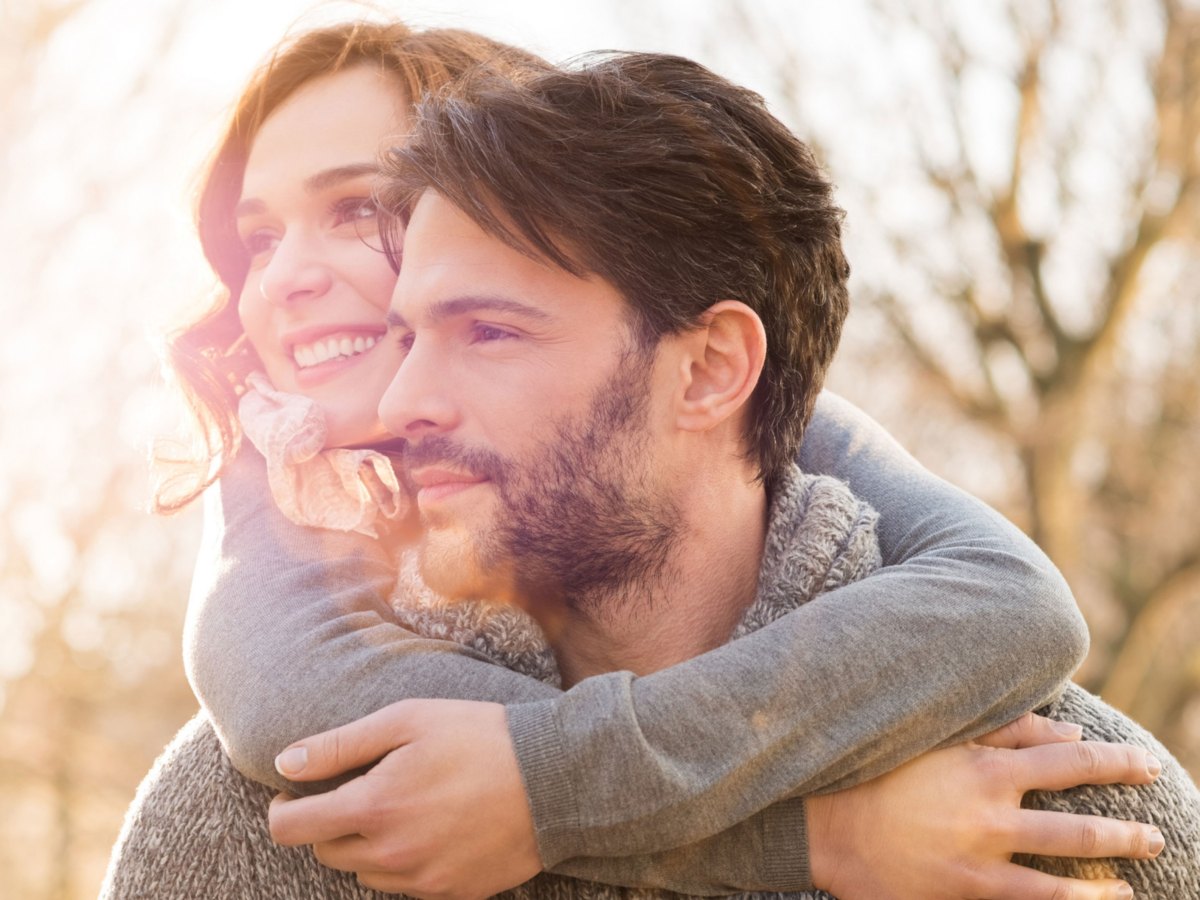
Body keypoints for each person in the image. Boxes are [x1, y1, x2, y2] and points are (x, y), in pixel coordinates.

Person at [97, 20, 1192, 900]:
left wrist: (546, 791)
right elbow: (299, 706)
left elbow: (1011, 602)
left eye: (358, 210)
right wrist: (815, 838)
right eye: (257, 239)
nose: (283, 278)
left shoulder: (1053, 796)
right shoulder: (248, 788)